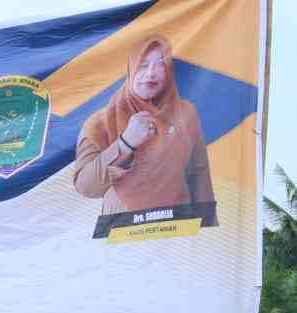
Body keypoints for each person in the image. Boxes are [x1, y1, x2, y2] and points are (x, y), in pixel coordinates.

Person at [72, 35, 215, 223]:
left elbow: (199, 173)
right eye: (143, 64)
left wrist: (206, 232)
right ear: (131, 68)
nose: (151, 73)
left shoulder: (185, 113)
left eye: (160, 63)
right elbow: (86, 186)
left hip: (178, 234)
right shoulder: (100, 122)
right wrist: (125, 144)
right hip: (122, 235)